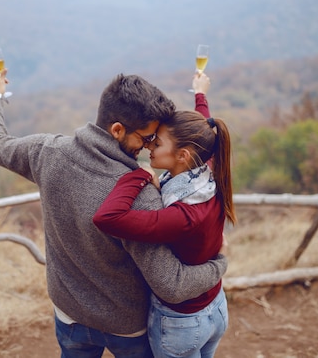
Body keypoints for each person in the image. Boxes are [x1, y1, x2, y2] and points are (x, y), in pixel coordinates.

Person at [0, 69, 229, 358]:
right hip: (127, 327)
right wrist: (219, 264)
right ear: (117, 130)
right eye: (147, 138)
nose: (149, 146)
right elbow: (171, 285)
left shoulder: (46, 152)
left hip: (69, 313)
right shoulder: (139, 195)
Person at [92, 73, 236, 358]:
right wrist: (200, 95)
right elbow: (204, 132)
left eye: (156, 144)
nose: (148, 147)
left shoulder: (181, 217)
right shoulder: (207, 172)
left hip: (181, 322)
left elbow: (107, 219)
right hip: (215, 308)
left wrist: (137, 175)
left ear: (182, 155)